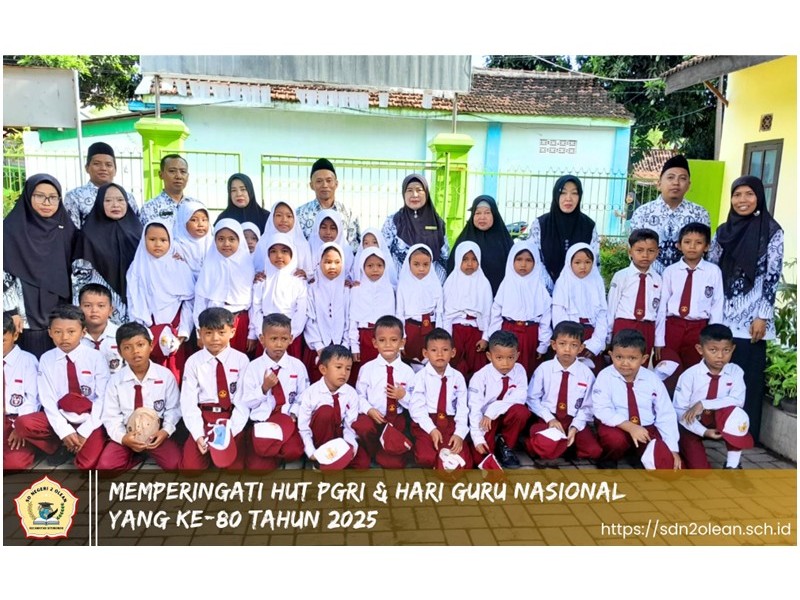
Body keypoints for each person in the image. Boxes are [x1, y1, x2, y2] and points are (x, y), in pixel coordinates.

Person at [707, 175, 783, 444]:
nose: (742, 200)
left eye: (749, 194)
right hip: (723, 314)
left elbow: (772, 276)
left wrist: (763, 315)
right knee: (720, 373)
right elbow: (711, 269)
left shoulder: (772, 231)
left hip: (753, 319)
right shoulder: (722, 231)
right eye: (737, 194)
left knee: (747, 378)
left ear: (759, 197)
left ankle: (744, 433)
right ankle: (716, 428)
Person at [15, 305, 108, 469]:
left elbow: (102, 400)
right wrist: (64, 431)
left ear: (83, 332)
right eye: (58, 332)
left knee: (85, 465)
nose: (64, 337)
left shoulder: (96, 358)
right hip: (61, 416)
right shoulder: (46, 359)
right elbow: (48, 400)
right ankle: (60, 445)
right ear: (50, 332)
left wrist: (84, 431)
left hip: (89, 419)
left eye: (71, 332)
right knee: (23, 423)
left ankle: (81, 444)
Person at [3, 174, 78, 358]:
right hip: (23, 318)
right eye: (39, 196)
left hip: (61, 320)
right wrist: (11, 311)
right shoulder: (10, 229)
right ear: (28, 196)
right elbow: (4, 272)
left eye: (53, 197)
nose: (47, 202)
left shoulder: (67, 229)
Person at [96, 322, 181, 472]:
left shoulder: (165, 376)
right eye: (127, 348)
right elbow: (111, 416)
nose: (135, 351)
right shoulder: (115, 381)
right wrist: (123, 438)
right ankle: (135, 455)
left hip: (155, 433)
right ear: (120, 352)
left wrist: (165, 431)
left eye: (140, 345)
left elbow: (173, 409)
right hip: (127, 432)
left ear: (151, 345)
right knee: (105, 468)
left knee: (174, 464)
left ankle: (147, 451)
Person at [592, 329, 681, 470]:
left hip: (645, 427)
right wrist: (631, 427)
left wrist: (672, 449)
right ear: (611, 355)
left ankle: (636, 454)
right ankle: (609, 460)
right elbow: (602, 410)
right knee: (615, 440)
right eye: (619, 357)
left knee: (664, 461)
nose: (625, 363)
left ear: (644, 359)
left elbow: (665, 414)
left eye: (632, 358)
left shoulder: (652, 379)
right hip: (617, 426)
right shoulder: (605, 376)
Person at [180, 308, 250, 471]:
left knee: (234, 469)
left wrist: (231, 432)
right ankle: (207, 451)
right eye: (208, 333)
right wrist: (198, 434)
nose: (215, 338)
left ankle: (234, 444)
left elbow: (242, 401)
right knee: (191, 469)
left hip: (230, 417)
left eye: (221, 332)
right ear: (200, 333)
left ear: (232, 332)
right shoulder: (193, 362)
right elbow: (188, 402)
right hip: (205, 417)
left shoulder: (241, 360)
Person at [673, 324, 752, 469]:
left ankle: (732, 466)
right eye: (713, 350)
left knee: (737, 415)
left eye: (726, 350)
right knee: (700, 470)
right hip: (691, 424)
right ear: (700, 349)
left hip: (718, 420)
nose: (720, 356)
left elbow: (738, 400)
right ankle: (684, 450)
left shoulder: (735, 371)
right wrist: (704, 432)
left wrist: (704, 404)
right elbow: (679, 411)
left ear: (733, 349)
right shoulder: (689, 376)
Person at [126, 219, 195, 383]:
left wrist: (183, 332)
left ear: (170, 241)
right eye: (152, 239)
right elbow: (134, 300)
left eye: (163, 240)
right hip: (148, 332)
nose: (158, 244)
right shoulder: (137, 268)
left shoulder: (180, 267)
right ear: (144, 240)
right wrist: (143, 330)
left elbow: (189, 302)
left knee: (175, 376)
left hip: (175, 332)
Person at [238, 313, 309, 470]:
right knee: (257, 468)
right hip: (263, 421)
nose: (279, 344)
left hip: (287, 420)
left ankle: (275, 453)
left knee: (294, 451)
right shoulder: (254, 367)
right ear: (262, 339)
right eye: (273, 339)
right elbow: (247, 401)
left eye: (284, 339)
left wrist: (294, 414)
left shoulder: (297, 366)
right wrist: (264, 388)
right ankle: (269, 453)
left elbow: (303, 396)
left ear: (291, 339)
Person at [525, 320, 602, 464]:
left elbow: (588, 406)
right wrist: (550, 419)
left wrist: (575, 426)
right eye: (562, 344)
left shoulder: (587, 374)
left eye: (574, 345)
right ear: (554, 345)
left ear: (581, 348)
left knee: (594, 451)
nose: (567, 349)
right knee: (544, 445)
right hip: (549, 418)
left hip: (573, 419)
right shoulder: (544, 369)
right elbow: (532, 398)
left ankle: (564, 444)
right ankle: (546, 444)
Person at [655, 222, 723, 380]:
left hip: (698, 328)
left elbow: (717, 305)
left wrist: (713, 337)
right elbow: (662, 306)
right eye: (687, 242)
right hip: (673, 327)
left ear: (706, 247)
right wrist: (659, 339)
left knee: (694, 372)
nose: (692, 247)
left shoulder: (713, 272)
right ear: (679, 245)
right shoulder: (670, 271)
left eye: (698, 243)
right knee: (668, 370)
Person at [72, 183, 142, 325]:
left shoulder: (139, 232)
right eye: (108, 200)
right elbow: (80, 278)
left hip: (138, 302)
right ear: (99, 203)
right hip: (102, 306)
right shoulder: (88, 235)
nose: (115, 205)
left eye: (120, 200)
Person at [629, 155, 710, 274]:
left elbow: (705, 253)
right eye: (670, 177)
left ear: (689, 185)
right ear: (659, 183)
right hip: (651, 280)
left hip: (687, 279)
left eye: (682, 178)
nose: (676, 183)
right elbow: (634, 251)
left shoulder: (700, 214)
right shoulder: (642, 213)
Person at [353, 315, 416, 468]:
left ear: (402, 342)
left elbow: (415, 402)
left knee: (393, 464)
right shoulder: (367, 369)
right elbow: (358, 396)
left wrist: (403, 396)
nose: (388, 345)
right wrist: (369, 410)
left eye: (393, 340)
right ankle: (373, 450)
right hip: (374, 417)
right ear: (375, 343)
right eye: (382, 340)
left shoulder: (408, 372)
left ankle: (387, 452)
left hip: (395, 419)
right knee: (362, 426)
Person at [408, 329, 473, 469]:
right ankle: (434, 457)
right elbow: (416, 409)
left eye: (445, 350)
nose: (439, 354)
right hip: (427, 421)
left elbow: (462, 409)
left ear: (453, 352)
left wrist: (459, 434)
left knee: (463, 464)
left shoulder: (458, 377)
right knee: (426, 458)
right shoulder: (420, 377)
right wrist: (431, 429)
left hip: (450, 423)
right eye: (434, 350)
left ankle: (441, 460)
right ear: (425, 353)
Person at [297, 344, 370, 469]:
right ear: (323, 369)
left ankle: (336, 460)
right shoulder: (310, 394)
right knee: (326, 411)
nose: (344, 373)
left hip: (340, 437)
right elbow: (303, 428)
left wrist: (350, 446)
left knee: (362, 464)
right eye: (338, 367)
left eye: (348, 368)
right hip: (320, 438)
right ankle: (321, 459)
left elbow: (350, 425)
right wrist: (311, 451)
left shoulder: (351, 393)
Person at [486, 240, 552, 378]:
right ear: (512, 261)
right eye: (519, 259)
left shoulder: (540, 288)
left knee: (527, 370)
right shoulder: (506, 285)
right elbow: (496, 314)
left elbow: (545, 318)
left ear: (535, 262)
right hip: (507, 332)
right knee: (505, 369)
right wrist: (493, 338)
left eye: (528, 260)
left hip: (530, 336)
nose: (523, 264)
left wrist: (543, 344)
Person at [468, 330, 530, 469]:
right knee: (480, 457)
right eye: (499, 358)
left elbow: (519, 397)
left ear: (517, 355)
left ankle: (505, 445)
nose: (505, 363)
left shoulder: (519, 370)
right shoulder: (480, 377)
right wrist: (477, 438)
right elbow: (474, 409)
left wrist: (493, 410)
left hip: (505, 416)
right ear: (489, 356)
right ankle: (490, 443)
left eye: (510, 357)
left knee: (521, 411)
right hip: (485, 421)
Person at [529, 175, 599, 293]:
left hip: (579, 292)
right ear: (556, 194)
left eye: (574, 193)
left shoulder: (588, 226)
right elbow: (533, 259)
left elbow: (594, 263)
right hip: (544, 292)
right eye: (563, 192)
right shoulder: (540, 225)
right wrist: (551, 288)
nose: (568, 198)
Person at [194, 220, 254, 355]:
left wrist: (253, 333)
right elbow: (200, 300)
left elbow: (254, 303)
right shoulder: (209, 266)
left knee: (238, 360)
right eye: (221, 239)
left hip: (240, 322)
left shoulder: (247, 266)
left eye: (232, 239)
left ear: (239, 241)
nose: (226, 244)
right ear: (214, 241)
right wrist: (199, 332)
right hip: (212, 323)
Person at [607, 229, 665, 361]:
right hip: (624, 325)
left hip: (647, 327)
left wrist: (658, 341)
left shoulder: (658, 279)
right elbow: (611, 307)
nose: (645, 255)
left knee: (640, 363)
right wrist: (608, 335)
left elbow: (660, 312)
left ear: (657, 252)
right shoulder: (621, 276)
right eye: (639, 250)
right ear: (630, 252)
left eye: (651, 251)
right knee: (620, 363)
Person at [248, 234, 308, 360]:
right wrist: (260, 333)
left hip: (290, 336)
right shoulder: (262, 280)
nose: (279, 256)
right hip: (266, 333)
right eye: (273, 251)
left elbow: (301, 311)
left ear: (292, 254)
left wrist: (291, 334)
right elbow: (256, 308)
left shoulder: (298, 281)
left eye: (284, 251)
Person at [551, 243, 608, 374]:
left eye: (588, 262)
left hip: (592, 335)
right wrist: (568, 341)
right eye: (577, 262)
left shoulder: (597, 281)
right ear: (569, 263)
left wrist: (595, 344)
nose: (583, 266)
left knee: (589, 375)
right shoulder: (563, 282)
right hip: (569, 336)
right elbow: (558, 315)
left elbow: (602, 314)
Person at [382, 174, 450, 284]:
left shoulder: (437, 223)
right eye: (409, 190)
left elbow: (444, 258)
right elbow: (383, 253)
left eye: (419, 190)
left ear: (426, 193)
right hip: (400, 286)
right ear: (403, 194)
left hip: (431, 287)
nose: (414, 195)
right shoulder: (393, 222)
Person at [442, 241, 492, 382]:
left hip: (476, 333)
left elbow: (488, 313)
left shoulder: (484, 283)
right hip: (455, 331)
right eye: (465, 259)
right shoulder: (451, 282)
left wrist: (485, 338)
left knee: (476, 369)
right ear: (458, 259)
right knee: (453, 365)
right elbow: (446, 314)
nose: (470, 264)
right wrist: (447, 338)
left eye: (474, 259)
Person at [447, 195, 513, 295]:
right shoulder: (464, 241)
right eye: (477, 213)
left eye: (487, 213)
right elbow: (452, 270)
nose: (482, 217)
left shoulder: (504, 242)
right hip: (466, 298)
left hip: (498, 296)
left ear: (494, 215)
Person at [63, 141, 138, 228]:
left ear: (115, 170)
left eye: (108, 165)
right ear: (87, 168)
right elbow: (72, 230)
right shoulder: (75, 196)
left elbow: (136, 227)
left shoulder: (128, 197)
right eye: (97, 164)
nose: (103, 168)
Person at [348, 247, 396, 384]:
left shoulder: (389, 289)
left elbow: (394, 320)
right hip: (364, 337)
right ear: (362, 267)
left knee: (383, 374)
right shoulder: (357, 290)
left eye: (379, 265)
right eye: (370, 266)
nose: (375, 269)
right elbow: (353, 320)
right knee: (365, 374)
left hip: (385, 338)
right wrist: (354, 346)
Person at [304, 242, 350, 382]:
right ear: (319, 262)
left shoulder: (346, 290)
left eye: (337, 262)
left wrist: (345, 344)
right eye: (328, 262)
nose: (332, 266)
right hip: (317, 348)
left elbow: (349, 318)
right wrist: (319, 346)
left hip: (341, 347)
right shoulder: (312, 289)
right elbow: (310, 319)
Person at [3, 311, 43, 470]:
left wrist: (19, 428)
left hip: (15, 420)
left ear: (14, 336)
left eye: (2, 341)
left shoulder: (28, 361)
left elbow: (33, 399)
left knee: (13, 464)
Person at [296, 158, 361, 253]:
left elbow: (355, 249)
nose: (325, 185)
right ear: (311, 185)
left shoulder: (349, 214)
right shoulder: (300, 214)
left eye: (329, 180)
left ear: (336, 184)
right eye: (319, 181)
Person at [396, 244, 444, 366]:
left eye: (426, 264)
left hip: (431, 328)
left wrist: (438, 333)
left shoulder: (435, 284)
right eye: (416, 264)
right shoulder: (403, 285)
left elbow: (439, 312)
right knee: (411, 361)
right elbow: (399, 313)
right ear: (409, 264)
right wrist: (402, 336)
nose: (421, 269)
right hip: (410, 329)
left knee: (430, 360)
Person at [254, 201, 313, 279]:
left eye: (289, 216)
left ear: (295, 219)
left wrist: (306, 274)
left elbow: (310, 272)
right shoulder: (263, 242)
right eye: (279, 215)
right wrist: (257, 275)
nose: (284, 220)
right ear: (272, 217)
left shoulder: (302, 244)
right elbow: (256, 269)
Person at [139, 154, 203, 227]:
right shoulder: (149, 208)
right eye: (172, 171)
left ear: (188, 176)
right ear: (161, 175)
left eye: (183, 171)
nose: (178, 176)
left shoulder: (197, 206)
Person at [78, 284, 124, 376]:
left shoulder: (122, 335)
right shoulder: (73, 336)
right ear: (79, 309)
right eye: (87, 305)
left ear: (110, 310)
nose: (94, 310)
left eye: (101, 305)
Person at [308, 209, 354, 282]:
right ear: (317, 228)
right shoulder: (309, 248)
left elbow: (351, 274)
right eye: (323, 227)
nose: (328, 232)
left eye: (333, 228)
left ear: (339, 230)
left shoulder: (345, 249)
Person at [172, 200, 213, 279]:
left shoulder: (213, 243)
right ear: (183, 222)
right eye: (194, 220)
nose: (200, 224)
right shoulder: (176, 246)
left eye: (204, 220)